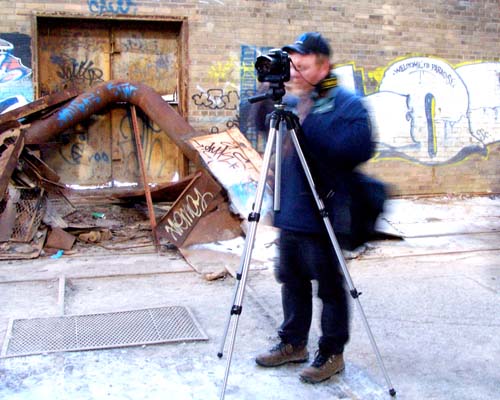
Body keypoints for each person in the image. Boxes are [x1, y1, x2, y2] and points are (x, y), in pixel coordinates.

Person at [255, 32, 375, 384]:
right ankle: (293, 343)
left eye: (302, 66)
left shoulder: (347, 104)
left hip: (326, 214)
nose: (293, 73)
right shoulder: (289, 104)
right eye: (292, 65)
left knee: (330, 288)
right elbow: (267, 137)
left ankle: (331, 353)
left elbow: (361, 147)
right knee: (291, 281)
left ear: (324, 67)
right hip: (290, 212)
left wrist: (309, 123)